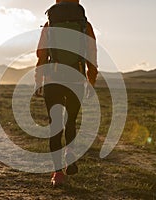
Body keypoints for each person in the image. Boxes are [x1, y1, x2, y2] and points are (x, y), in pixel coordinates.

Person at [35, 0, 98, 186]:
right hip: (76, 78)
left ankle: (57, 174)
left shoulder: (50, 24)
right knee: (70, 122)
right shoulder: (84, 25)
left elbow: (41, 54)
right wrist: (90, 80)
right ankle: (70, 153)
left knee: (55, 126)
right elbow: (91, 54)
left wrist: (39, 80)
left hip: (53, 79)